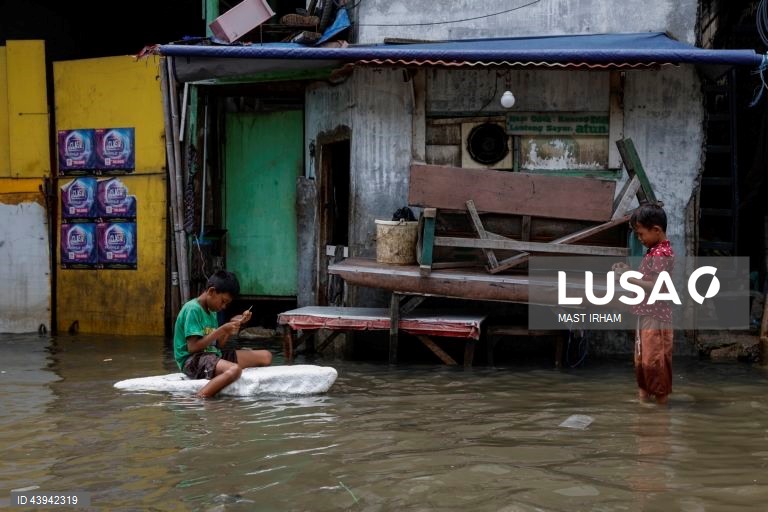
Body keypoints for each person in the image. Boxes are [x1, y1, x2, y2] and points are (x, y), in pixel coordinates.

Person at [173, 270, 273, 398]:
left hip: (212, 355)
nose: (224, 306)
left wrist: (232, 325)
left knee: (266, 356)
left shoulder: (212, 311)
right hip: (192, 360)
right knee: (234, 370)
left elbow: (219, 345)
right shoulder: (193, 309)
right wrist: (221, 330)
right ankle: (198, 398)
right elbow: (193, 347)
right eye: (223, 301)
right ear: (211, 292)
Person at [612, 203, 675, 405]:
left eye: (640, 234)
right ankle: (644, 406)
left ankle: (660, 409)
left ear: (656, 230)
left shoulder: (661, 254)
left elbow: (655, 286)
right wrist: (627, 272)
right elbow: (646, 278)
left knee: (653, 362)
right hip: (647, 314)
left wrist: (627, 278)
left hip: (656, 316)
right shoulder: (654, 251)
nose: (639, 239)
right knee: (642, 360)